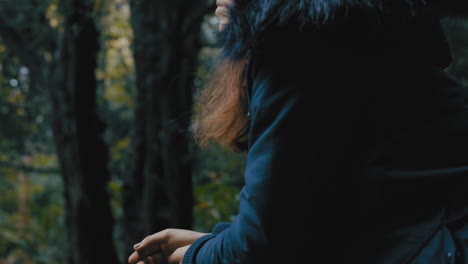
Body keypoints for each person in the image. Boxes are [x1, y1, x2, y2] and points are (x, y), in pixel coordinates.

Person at [128, 0, 468, 263]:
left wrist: (191, 256)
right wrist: (208, 242)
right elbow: (317, 216)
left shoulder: (298, 41)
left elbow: (260, 248)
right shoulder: (354, 33)